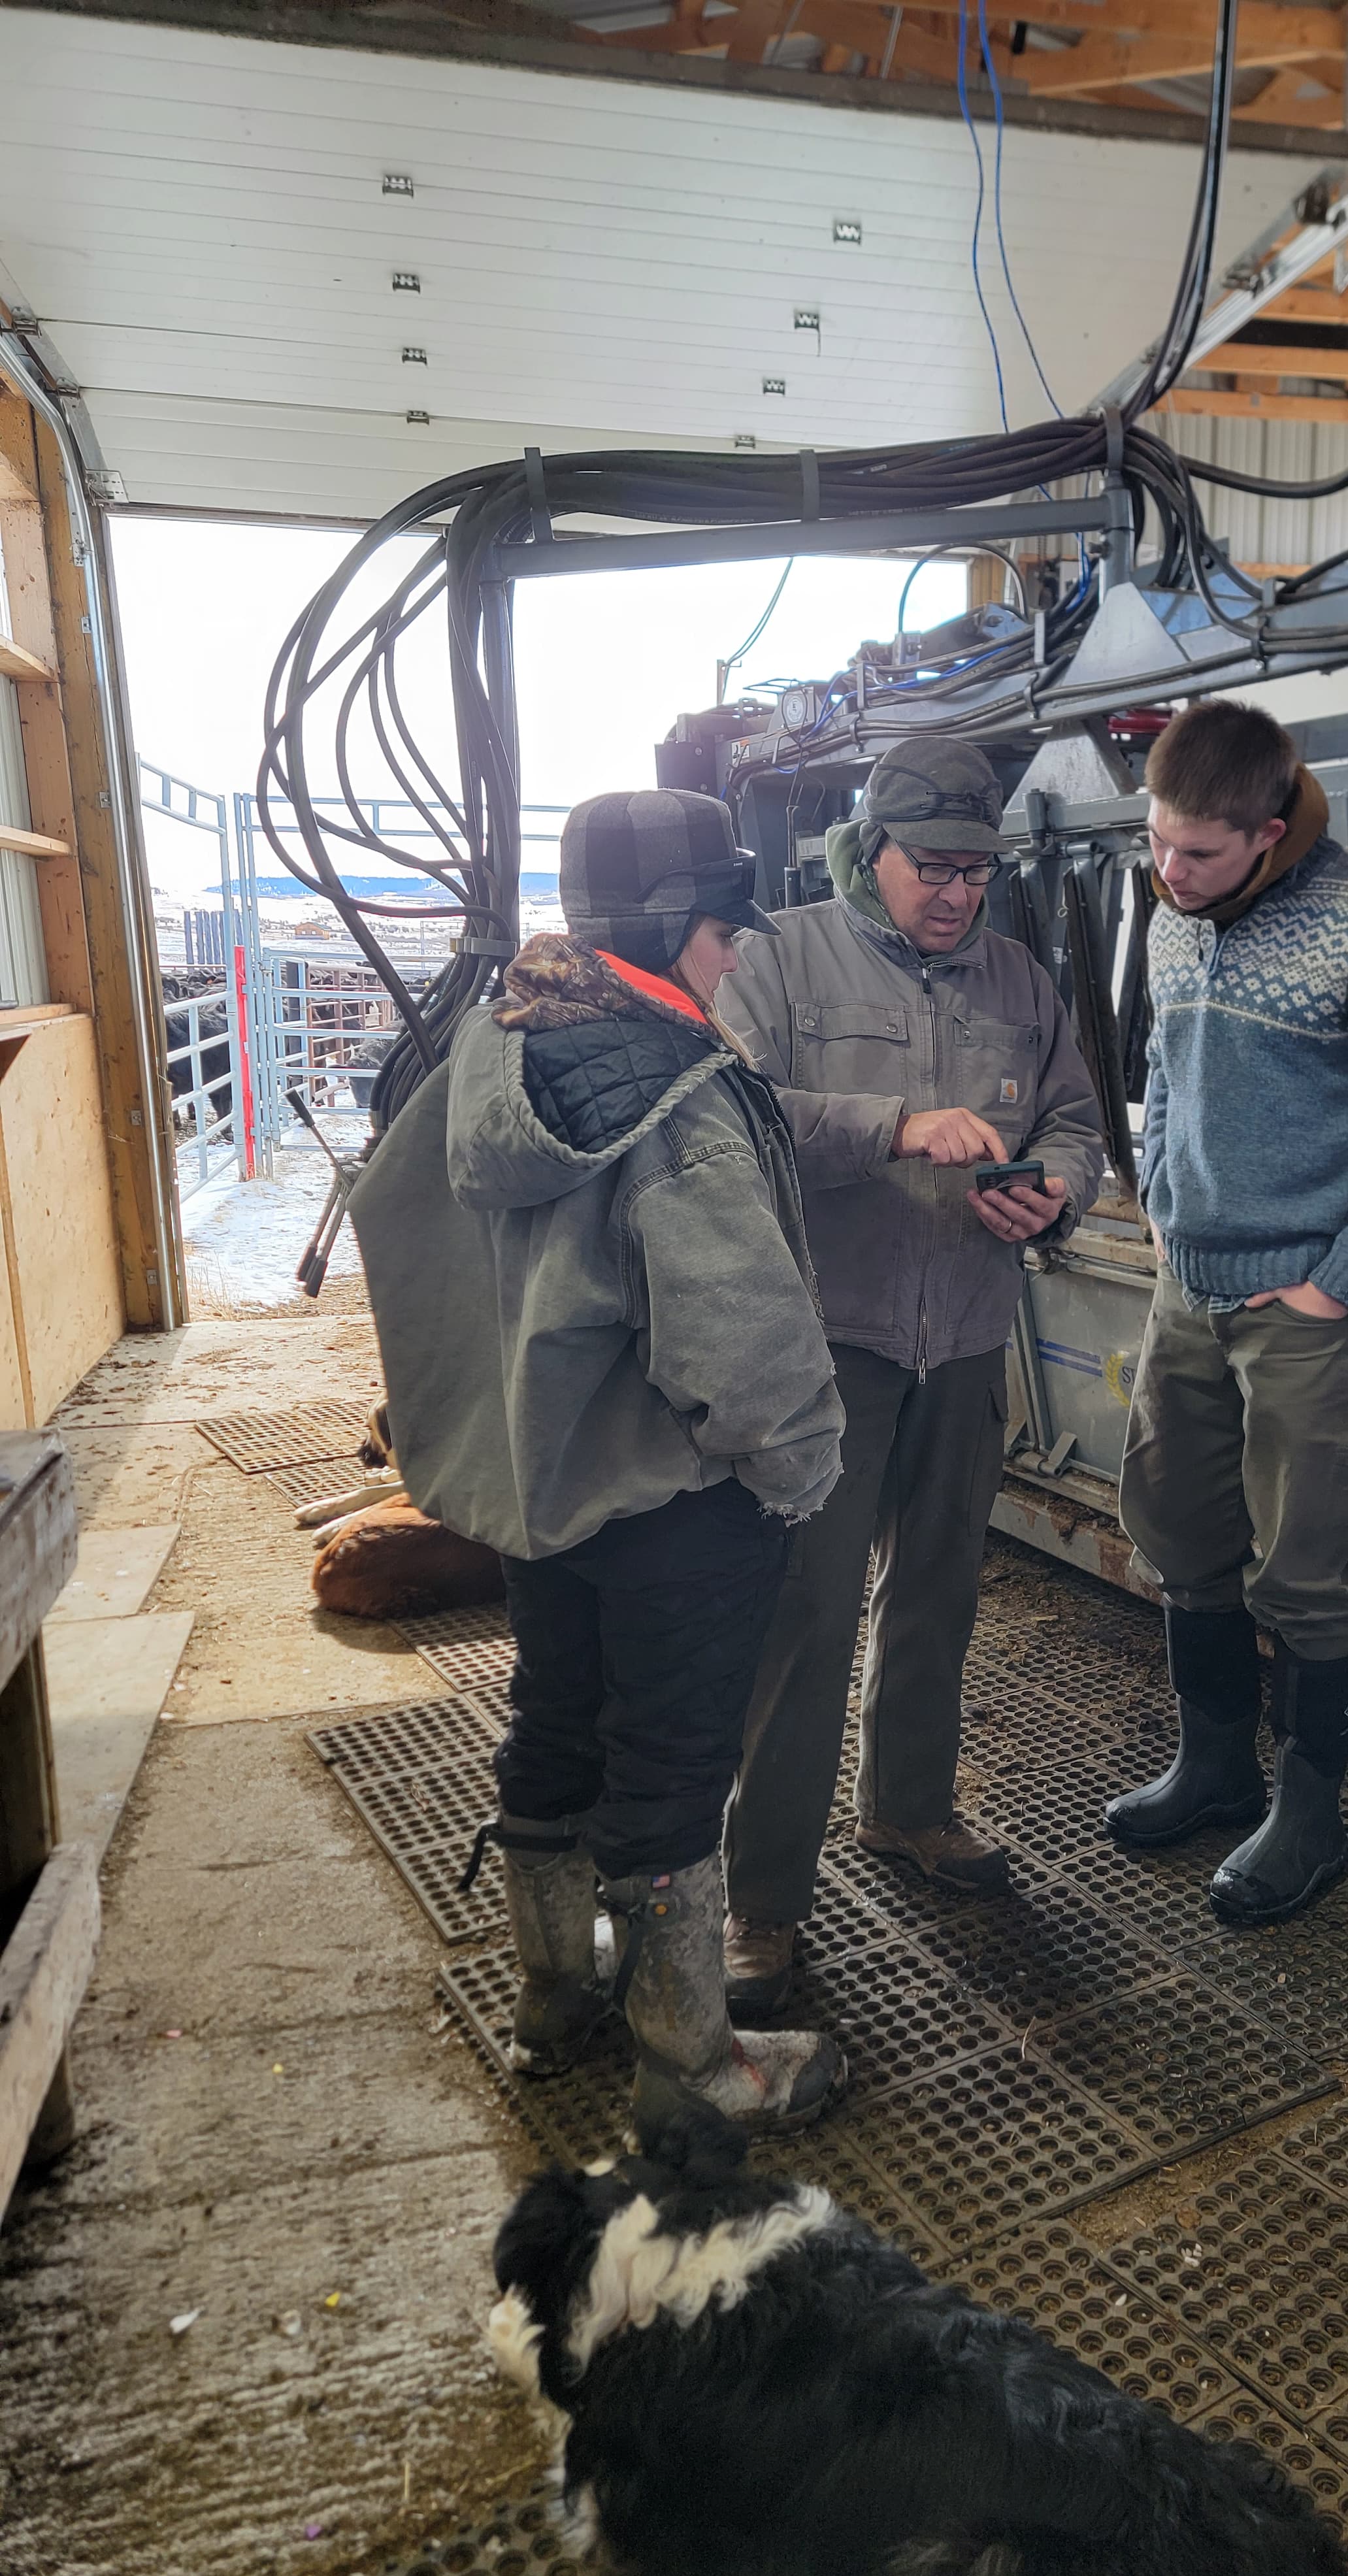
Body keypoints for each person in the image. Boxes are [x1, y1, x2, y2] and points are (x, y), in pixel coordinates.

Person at [350, 787, 847, 2139]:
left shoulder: (490, 1043)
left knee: (556, 1718)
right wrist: (796, 1472)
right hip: (675, 1492)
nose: (735, 952)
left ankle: (554, 1995)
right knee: (675, 1763)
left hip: (545, 1481)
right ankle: (691, 2060)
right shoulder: (671, 1095)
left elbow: (403, 1240)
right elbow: (738, 1328)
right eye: (724, 925)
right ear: (682, 923)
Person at [717, 734, 1106, 2020]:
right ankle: (762, 1900)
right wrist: (890, 1124)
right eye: (931, 867)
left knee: (938, 1591)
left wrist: (1055, 1192)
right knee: (808, 1619)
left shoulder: (1016, 978)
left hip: (969, 1334)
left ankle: (911, 1812)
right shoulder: (778, 957)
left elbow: (1072, 1114)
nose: (954, 892)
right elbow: (732, 1115)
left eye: (973, 872)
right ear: (867, 848)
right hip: (836, 1341)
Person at [1106, 699, 1348, 1927]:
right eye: (1156, 844)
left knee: (1306, 1565)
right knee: (1179, 1527)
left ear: (1269, 834)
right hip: (1191, 1286)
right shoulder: (1174, 914)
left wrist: (1342, 1277)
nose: (1170, 874)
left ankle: (1311, 1817)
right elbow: (1164, 1067)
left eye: (1200, 854)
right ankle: (1216, 1767)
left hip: (1306, 1310)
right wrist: (1165, 1200)